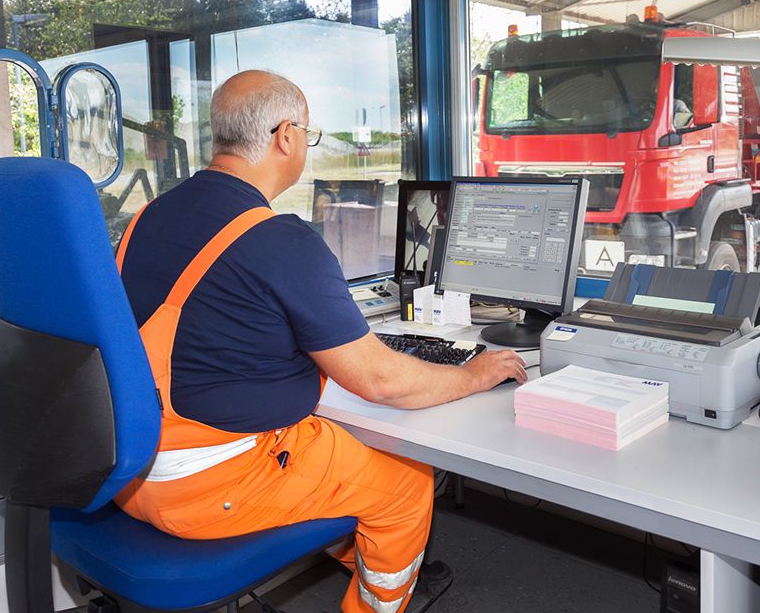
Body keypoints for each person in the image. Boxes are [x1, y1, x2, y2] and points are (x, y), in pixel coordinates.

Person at [114, 70, 527, 613]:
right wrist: (475, 373)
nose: (305, 148)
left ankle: (371, 559)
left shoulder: (146, 216)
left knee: (341, 447)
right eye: (307, 136)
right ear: (285, 136)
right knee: (407, 481)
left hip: (130, 467)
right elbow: (379, 380)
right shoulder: (278, 239)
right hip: (213, 481)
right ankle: (381, 598)